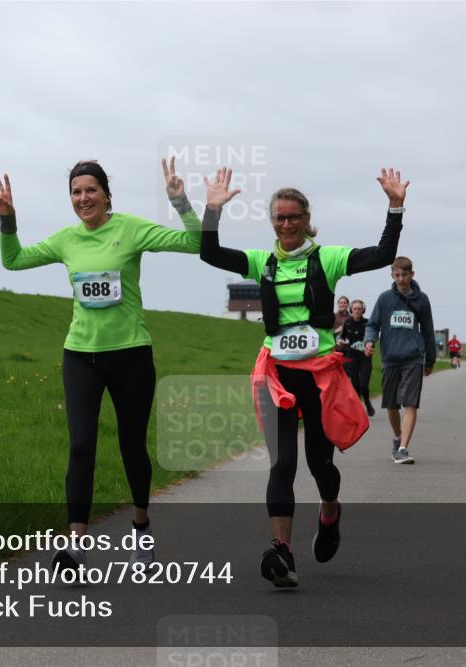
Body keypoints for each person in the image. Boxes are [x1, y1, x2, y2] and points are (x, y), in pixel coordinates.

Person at [199, 166, 408, 587]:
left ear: (306, 220)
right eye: (279, 218)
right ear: (272, 222)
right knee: (283, 464)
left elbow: (382, 256)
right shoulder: (262, 261)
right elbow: (211, 254)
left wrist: (395, 206)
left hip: (319, 377)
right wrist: (212, 211)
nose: (287, 224)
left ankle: (330, 511)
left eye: (294, 217)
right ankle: (282, 551)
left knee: (318, 463)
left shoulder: (326, 259)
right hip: (276, 374)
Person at [0, 158, 201, 571]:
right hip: (80, 355)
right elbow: (13, 261)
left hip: (131, 354)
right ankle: (75, 543)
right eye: (75, 192)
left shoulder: (131, 229)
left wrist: (180, 203)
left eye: (90, 190)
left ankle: (141, 529)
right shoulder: (67, 240)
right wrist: (8, 219)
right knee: (81, 444)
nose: (82, 198)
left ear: (106, 193)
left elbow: (194, 244)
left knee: (131, 446)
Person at [364, 257, 436, 464]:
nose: (401, 279)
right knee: (392, 405)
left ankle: (403, 448)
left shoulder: (422, 300)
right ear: (392, 275)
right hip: (390, 358)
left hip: (413, 358)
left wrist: (429, 359)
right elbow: (372, 325)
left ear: (412, 274)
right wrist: (369, 341)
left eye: (405, 275)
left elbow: (428, 331)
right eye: (397, 275)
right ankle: (397, 437)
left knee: (411, 404)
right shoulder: (385, 299)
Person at [338, 299, 376, 416]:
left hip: (365, 358)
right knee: (355, 386)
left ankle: (367, 401)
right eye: (355, 309)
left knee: (364, 384)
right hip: (352, 358)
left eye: (359, 309)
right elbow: (342, 337)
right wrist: (340, 341)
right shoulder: (347, 323)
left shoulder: (368, 323)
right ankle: (358, 410)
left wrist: (370, 345)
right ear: (351, 310)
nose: (357, 311)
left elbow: (373, 338)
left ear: (363, 310)